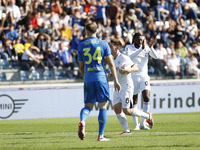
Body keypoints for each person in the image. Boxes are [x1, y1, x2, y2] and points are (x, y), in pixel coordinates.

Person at [77, 22, 121, 141]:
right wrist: (116, 81)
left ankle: (82, 121)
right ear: (97, 31)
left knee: (88, 106)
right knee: (103, 106)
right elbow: (111, 63)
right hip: (101, 78)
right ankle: (100, 136)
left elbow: (81, 67)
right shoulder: (103, 44)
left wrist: (85, 77)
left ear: (86, 32)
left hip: (88, 78)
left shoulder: (81, 45)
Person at [109, 39, 154, 135]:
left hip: (126, 86)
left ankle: (147, 116)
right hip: (118, 87)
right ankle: (127, 131)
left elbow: (136, 68)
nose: (109, 48)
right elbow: (112, 75)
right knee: (116, 108)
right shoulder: (112, 59)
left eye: (111, 46)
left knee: (127, 111)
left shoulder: (124, 57)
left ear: (117, 48)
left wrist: (127, 70)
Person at [125, 32, 158, 130]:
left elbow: (156, 56)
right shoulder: (129, 47)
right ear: (134, 39)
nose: (140, 41)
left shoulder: (146, 47)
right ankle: (136, 125)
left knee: (146, 96)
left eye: (142, 40)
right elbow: (129, 58)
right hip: (133, 76)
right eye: (139, 39)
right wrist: (141, 49)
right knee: (134, 100)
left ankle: (143, 123)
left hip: (144, 76)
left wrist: (151, 47)